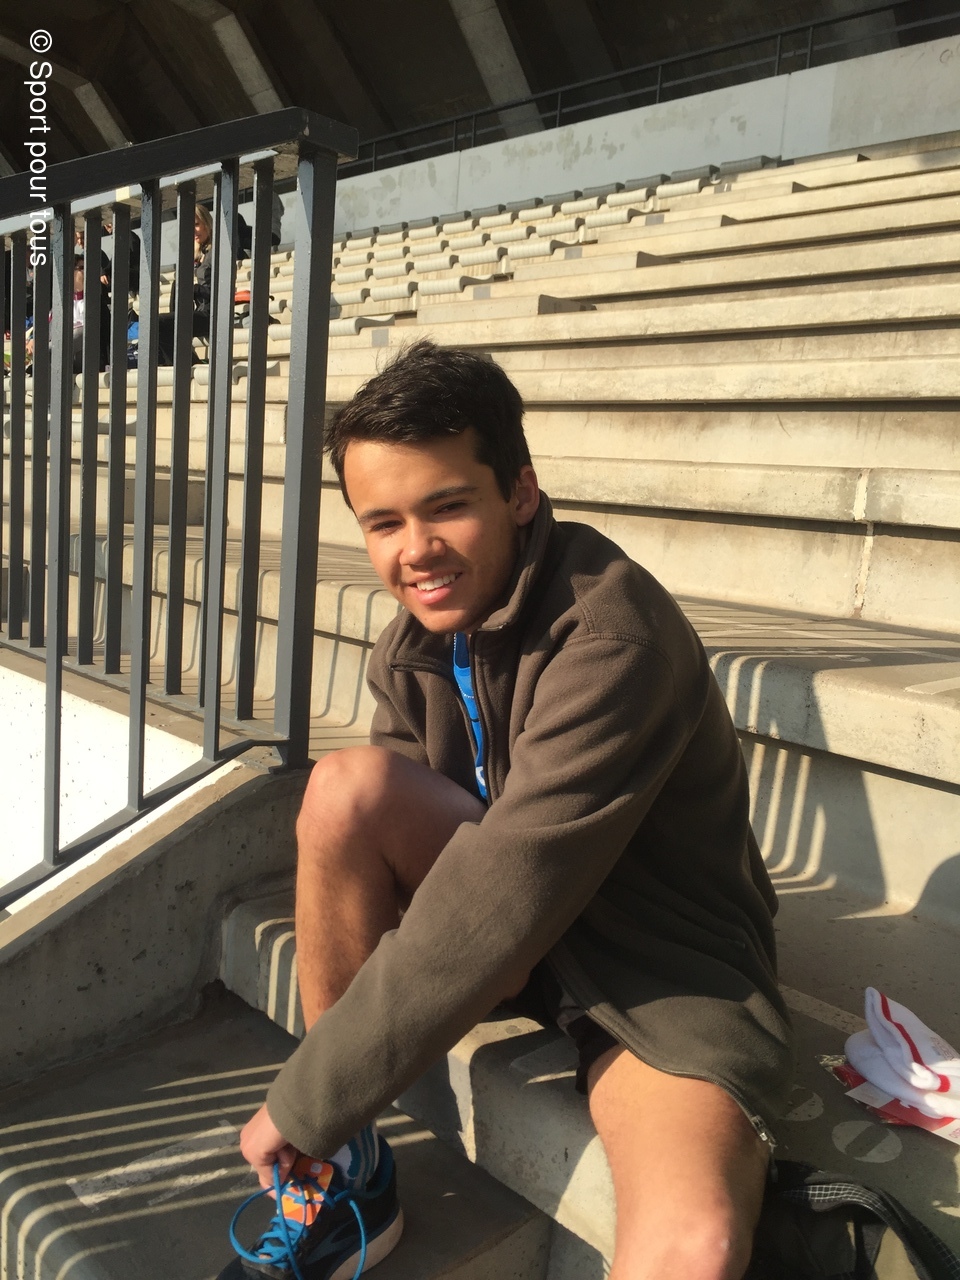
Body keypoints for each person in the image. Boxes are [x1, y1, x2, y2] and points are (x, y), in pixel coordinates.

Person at [217, 341, 795, 1280]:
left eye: (446, 506)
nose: (415, 550)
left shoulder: (613, 635)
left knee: (695, 1245)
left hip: (655, 970)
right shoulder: (414, 641)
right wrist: (339, 1093)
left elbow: (509, 881)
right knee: (345, 789)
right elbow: (435, 876)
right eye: (384, 522)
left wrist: (308, 1095)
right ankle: (350, 1172)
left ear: (520, 491)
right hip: (517, 937)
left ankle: (333, 1127)